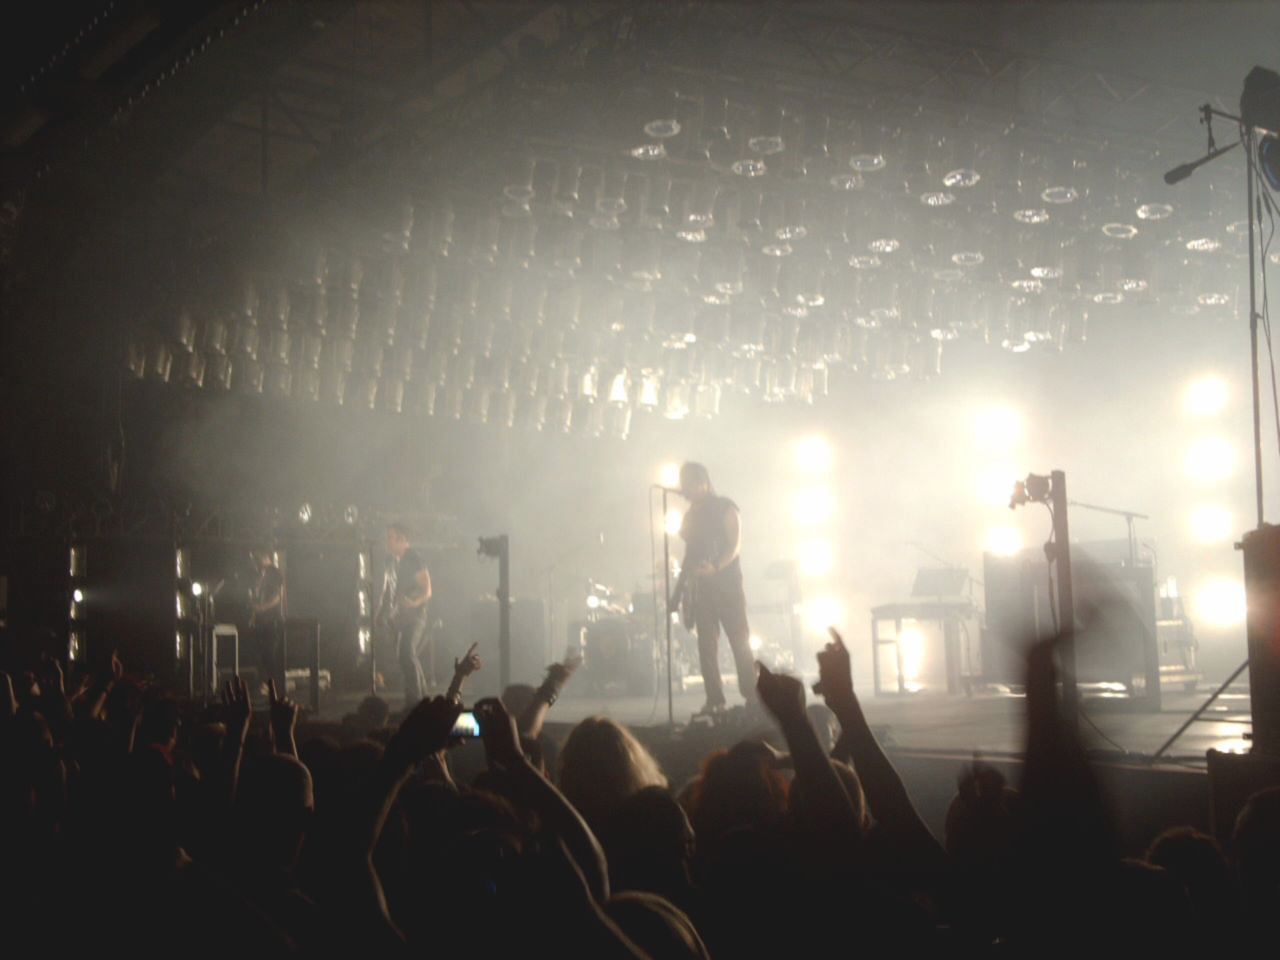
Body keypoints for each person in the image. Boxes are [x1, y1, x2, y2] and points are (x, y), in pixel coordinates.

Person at [675, 461, 755, 712]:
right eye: (682, 483)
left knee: (739, 640)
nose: (684, 488)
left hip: (727, 585)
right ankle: (714, 699)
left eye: (689, 482)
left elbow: (735, 544)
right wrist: (682, 589)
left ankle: (753, 696)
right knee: (706, 645)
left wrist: (717, 567)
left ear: (703, 482)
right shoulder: (689, 516)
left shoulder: (725, 507)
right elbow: (689, 551)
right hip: (701, 588)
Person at [378, 521, 433, 707]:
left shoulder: (413, 558)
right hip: (399, 616)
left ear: (402, 539)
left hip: (416, 615)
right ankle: (424, 697)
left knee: (406, 653)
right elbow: (387, 588)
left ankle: (414, 702)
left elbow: (427, 589)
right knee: (407, 655)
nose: (387, 541)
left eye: (390, 537)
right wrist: (381, 611)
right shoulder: (390, 560)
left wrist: (415, 602)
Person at [248, 547, 286, 696]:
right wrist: (254, 614)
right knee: (262, 655)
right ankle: (266, 684)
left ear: (265, 556)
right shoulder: (260, 576)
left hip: (273, 620)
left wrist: (262, 608)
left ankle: (273, 686)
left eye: (256, 558)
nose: (254, 562)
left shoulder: (276, 573)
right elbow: (256, 599)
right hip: (262, 621)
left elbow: (278, 596)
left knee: (270, 653)